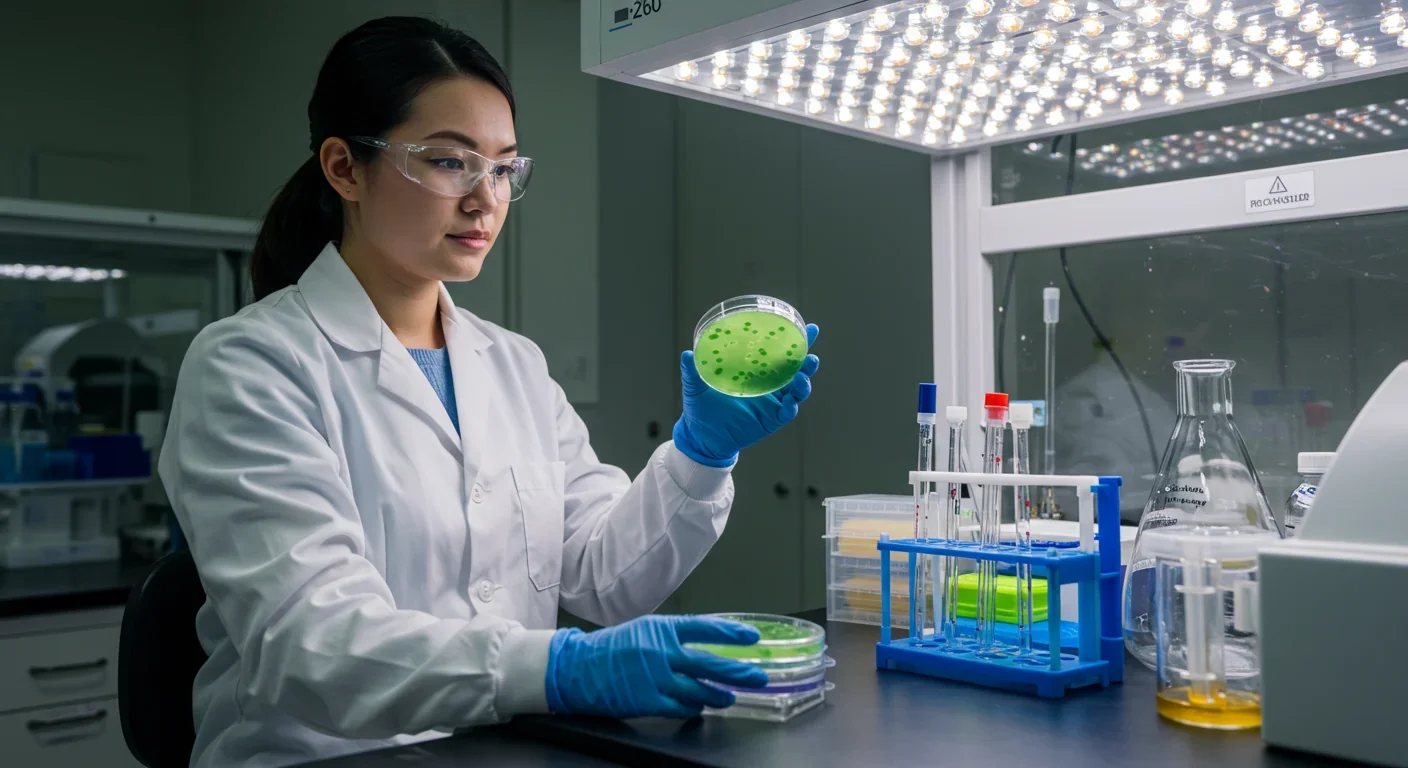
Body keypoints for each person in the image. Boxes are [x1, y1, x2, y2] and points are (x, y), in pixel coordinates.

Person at [160, 17, 820, 767]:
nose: (486, 200)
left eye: (504, 169)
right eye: (449, 162)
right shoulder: (250, 365)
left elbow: (604, 577)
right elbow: (310, 641)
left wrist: (702, 455)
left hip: (503, 750)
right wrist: (559, 669)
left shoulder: (512, 365)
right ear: (343, 168)